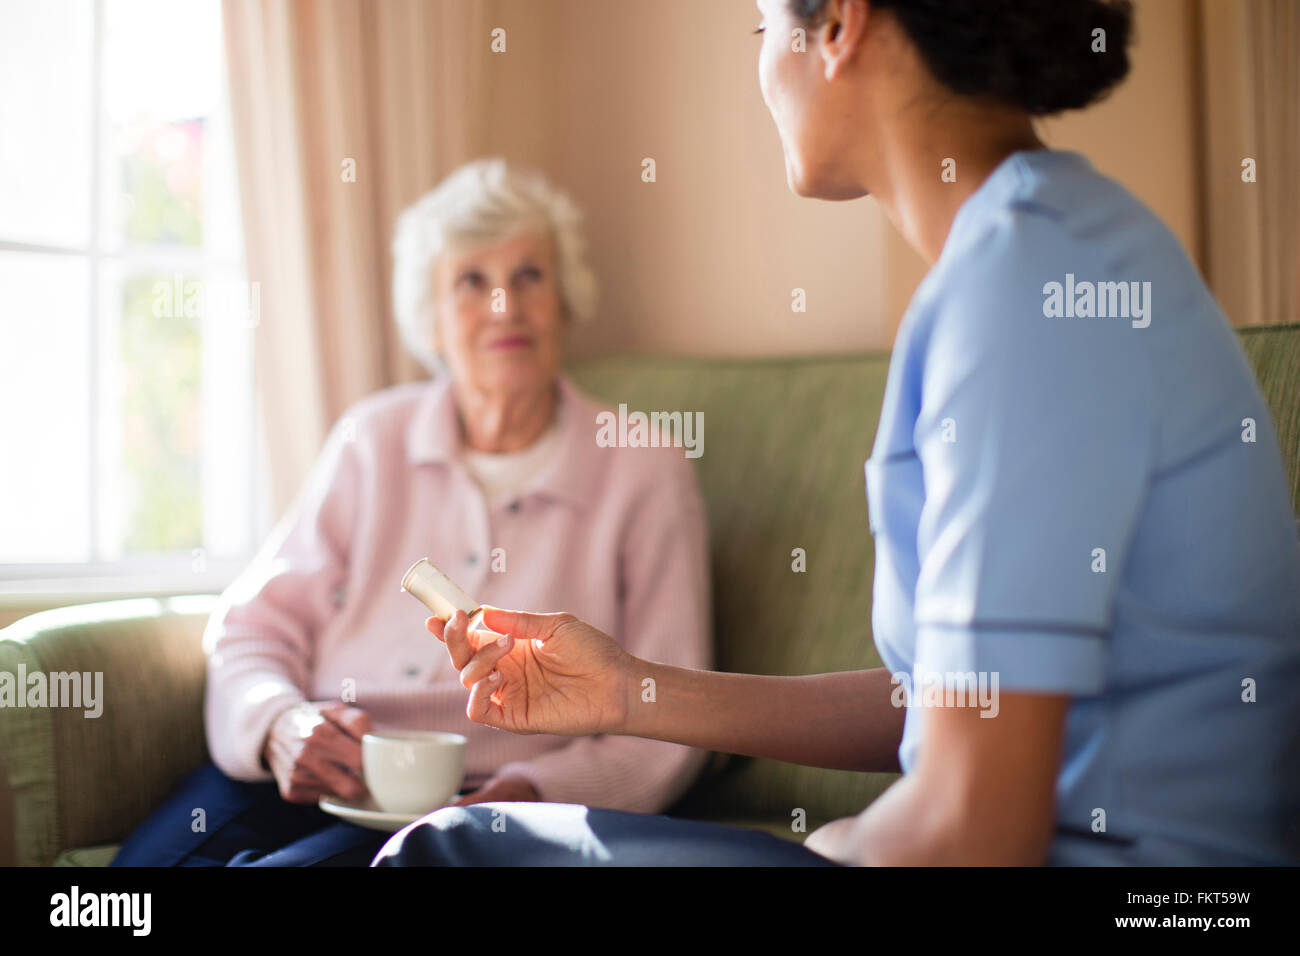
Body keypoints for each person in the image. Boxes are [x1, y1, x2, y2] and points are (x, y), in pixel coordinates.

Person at [373, 0, 1300, 867]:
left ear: (839, 27)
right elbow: (953, 705)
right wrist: (627, 690)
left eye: (761, 29)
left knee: (451, 847)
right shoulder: (1048, 247)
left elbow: (976, 821)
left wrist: (835, 849)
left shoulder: (1023, 295)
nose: (763, 68)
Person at [110, 159, 713, 867]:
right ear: (430, 316)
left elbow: (672, 709)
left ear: (566, 298)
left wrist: (527, 794)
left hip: (488, 804)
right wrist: (279, 724)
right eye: (471, 281)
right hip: (312, 766)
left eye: (529, 276)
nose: (504, 307)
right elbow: (253, 627)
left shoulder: (640, 465)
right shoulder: (373, 439)